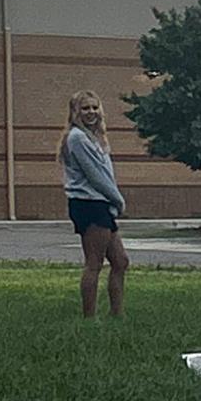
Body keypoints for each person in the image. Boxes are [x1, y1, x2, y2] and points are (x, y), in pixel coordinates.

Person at [59, 89, 128, 318]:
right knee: (94, 263)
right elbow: (96, 176)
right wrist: (118, 199)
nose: (91, 112)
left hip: (101, 203)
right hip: (88, 204)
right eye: (85, 108)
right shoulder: (77, 138)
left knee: (120, 261)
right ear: (75, 112)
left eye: (94, 107)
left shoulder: (95, 137)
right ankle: (89, 318)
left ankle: (117, 315)